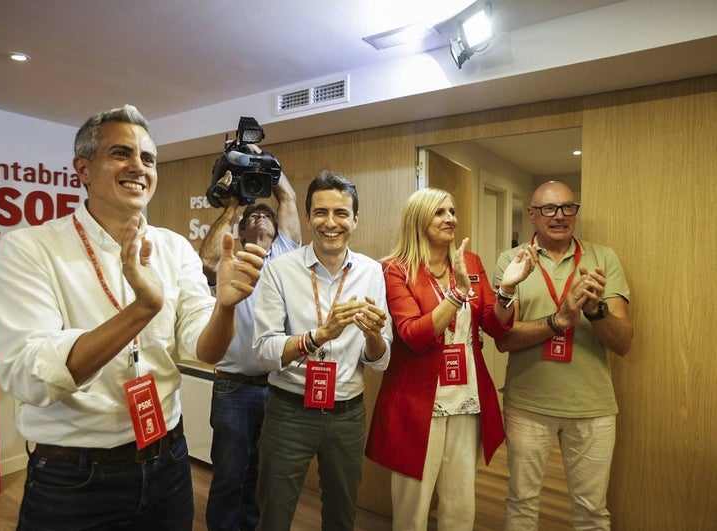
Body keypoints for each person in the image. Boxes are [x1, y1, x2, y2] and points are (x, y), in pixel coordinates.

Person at [0, 105, 265, 531]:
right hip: (74, 478)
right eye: (121, 153)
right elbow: (30, 375)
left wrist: (225, 305)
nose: (138, 166)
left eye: (148, 158)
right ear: (83, 168)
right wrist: (142, 309)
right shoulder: (29, 249)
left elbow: (205, 349)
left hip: (168, 463)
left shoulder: (173, 249)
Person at [365, 188, 537, 531]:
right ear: (419, 219)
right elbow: (414, 335)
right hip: (418, 404)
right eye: (440, 212)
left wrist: (506, 290)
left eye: (452, 211)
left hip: (466, 400)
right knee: (413, 506)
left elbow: (493, 323)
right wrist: (457, 294)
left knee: (460, 502)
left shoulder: (469, 262)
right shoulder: (396, 269)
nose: (451, 219)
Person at [252, 170, 392, 531]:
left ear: (356, 219)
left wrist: (375, 336)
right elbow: (264, 351)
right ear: (308, 216)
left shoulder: (372, 272)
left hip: (347, 413)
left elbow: (380, 360)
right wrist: (319, 335)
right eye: (321, 212)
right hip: (288, 411)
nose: (331, 223)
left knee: (342, 516)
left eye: (341, 213)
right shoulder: (279, 270)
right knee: (274, 515)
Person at [493, 180, 633, 530]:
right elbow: (504, 339)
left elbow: (623, 342)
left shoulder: (603, 258)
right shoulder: (512, 261)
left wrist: (596, 310)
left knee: (592, 512)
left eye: (568, 207)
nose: (559, 216)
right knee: (521, 504)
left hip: (592, 407)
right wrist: (560, 320)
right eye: (548, 209)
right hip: (527, 405)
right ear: (532, 216)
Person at [199, 163, 301, 531]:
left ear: (279, 232)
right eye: (252, 215)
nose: (261, 217)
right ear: (241, 231)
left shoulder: (286, 257)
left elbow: (286, 196)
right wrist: (232, 207)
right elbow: (207, 262)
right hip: (233, 387)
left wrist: (266, 161)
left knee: (263, 474)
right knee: (229, 474)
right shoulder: (230, 257)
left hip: (277, 387)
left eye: (267, 215)